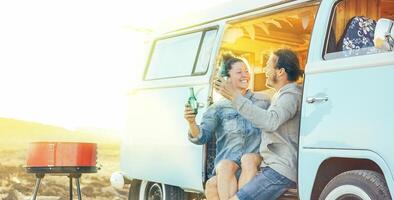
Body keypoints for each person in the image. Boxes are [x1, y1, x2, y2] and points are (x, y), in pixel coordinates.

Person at [214, 49, 303, 200]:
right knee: (213, 186)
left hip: (279, 172)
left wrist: (235, 97)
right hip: (271, 167)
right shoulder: (280, 95)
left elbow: (270, 121)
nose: (264, 70)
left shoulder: (291, 95)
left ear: (280, 72)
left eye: (268, 66)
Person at [184, 54, 270, 200]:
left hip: (254, 162)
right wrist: (191, 122)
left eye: (246, 71)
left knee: (246, 160)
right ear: (227, 78)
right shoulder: (218, 108)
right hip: (227, 168)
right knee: (221, 170)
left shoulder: (263, 101)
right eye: (239, 72)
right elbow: (201, 137)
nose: (245, 75)